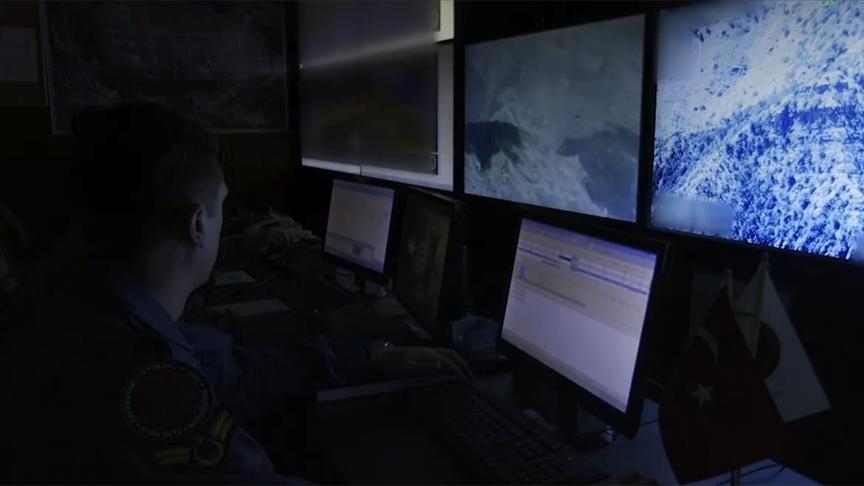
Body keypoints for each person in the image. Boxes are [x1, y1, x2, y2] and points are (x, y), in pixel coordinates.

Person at [0, 102, 470, 483]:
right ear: (196, 225)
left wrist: (370, 355)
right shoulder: (142, 370)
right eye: (222, 206)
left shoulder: (88, 301)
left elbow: (230, 370)